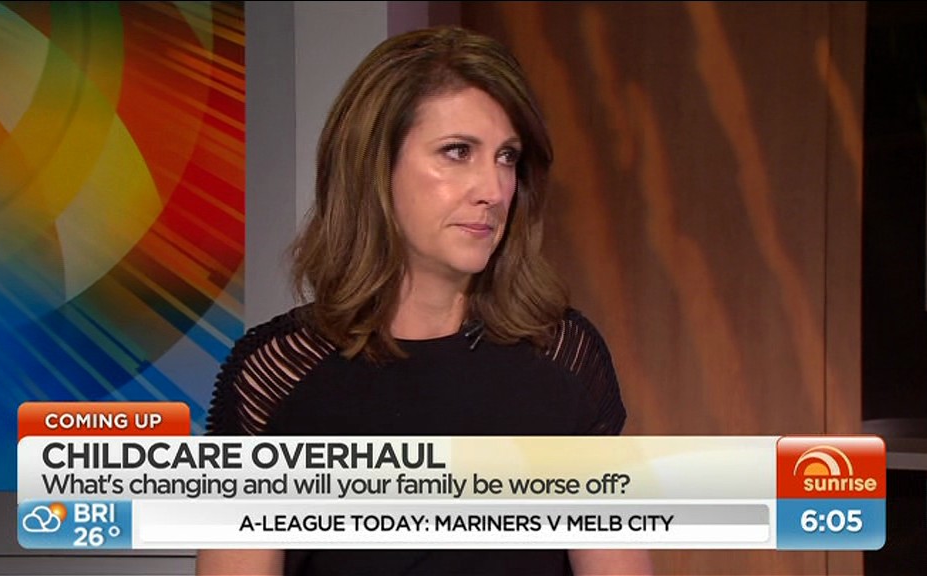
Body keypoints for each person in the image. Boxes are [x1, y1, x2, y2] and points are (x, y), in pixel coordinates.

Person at [197, 26, 652, 576]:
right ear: (375, 166)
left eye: (507, 157)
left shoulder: (564, 358)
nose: (493, 189)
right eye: (458, 152)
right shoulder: (276, 375)